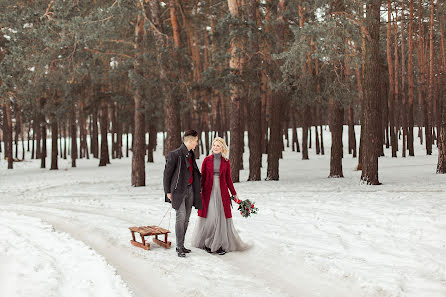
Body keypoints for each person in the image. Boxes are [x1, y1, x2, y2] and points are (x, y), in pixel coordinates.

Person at [192, 137, 246, 255]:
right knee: (211, 216)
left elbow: (228, 179)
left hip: (222, 193)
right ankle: (208, 242)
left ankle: (220, 244)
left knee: (220, 217)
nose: (215, 147)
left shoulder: (226, 162)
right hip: (208, 192)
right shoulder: (207, 160)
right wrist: (198, 191)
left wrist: (234, 193)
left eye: (218, 145)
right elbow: (203, 177)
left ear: (222, 148)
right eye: (214, 145)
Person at [163, 130, 202, 257]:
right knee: (181, 217)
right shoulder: (175, 154)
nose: (197, 144)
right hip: (178, 191)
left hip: (190, 190)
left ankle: (182, 245)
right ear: (190, 141)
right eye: (196, 141)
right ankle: (179, 246)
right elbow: (167, 174)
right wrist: (167, 191)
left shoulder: (190, 154)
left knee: (186, 219)